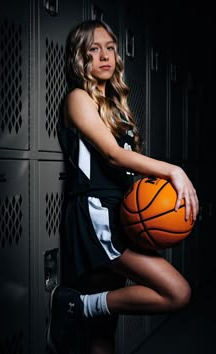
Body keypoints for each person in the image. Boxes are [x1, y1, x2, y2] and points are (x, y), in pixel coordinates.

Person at [46, 19, 199, 354]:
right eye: (94, 49)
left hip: (124, 213)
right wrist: (174, 171)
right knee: (177, 291)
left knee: (103, 331)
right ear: (80, 58)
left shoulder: (117, 107)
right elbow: (114, 158)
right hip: (97, 214)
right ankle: (74, 305)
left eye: (110, 48)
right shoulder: (77, 98)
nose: (105, 55)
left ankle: (80, 307)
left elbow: (132, 170)